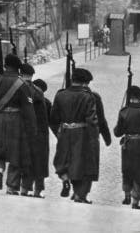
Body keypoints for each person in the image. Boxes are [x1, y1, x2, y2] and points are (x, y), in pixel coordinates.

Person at [0, 53, 37, 195]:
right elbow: (28, 108)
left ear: (5, 65)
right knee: (16, 154)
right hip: (16, 120)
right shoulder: (22, 84)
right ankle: (11, 186)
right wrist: (32, 128)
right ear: (18, 67)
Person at [49, 68, 99, 204]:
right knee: (81, 165)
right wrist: (94, 139)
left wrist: (59, 133)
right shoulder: (88, 97)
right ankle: (79, 195)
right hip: (81, 134)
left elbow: (53, 119)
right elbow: (92, 121)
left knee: (63, 160)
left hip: (65, 132)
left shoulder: (60, 95)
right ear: (85, 83)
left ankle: (65, 179)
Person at [114, 85, 140, 209]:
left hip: (128, 145)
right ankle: (135, 201)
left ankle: (127, 195)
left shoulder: (124, 112)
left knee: (127, 171)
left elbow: (118, 133)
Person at [19, 65, 51, 198]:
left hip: (24, 132)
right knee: (40, 162)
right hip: (39, 133)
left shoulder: (18, 89)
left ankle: (24, 189)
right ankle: (38, 190)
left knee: (26, 162)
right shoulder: (40, 95)